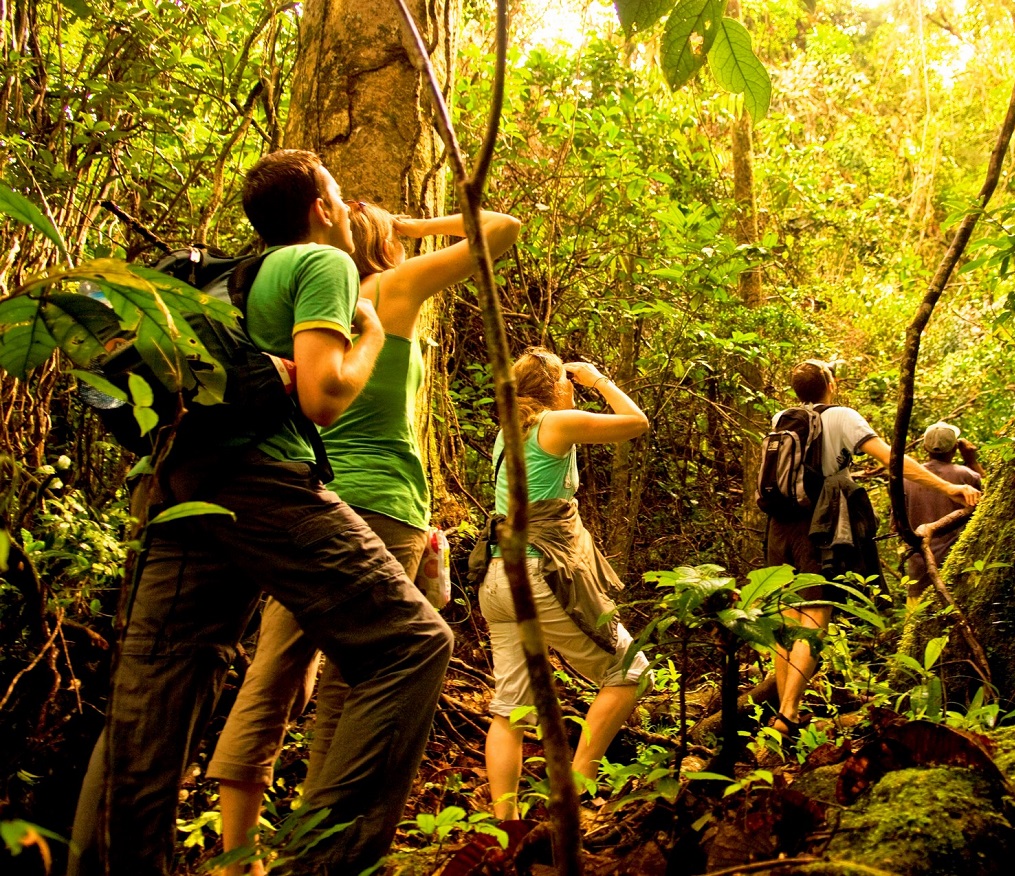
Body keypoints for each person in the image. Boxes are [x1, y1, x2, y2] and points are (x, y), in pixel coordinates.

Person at [67, 150, 451, 876]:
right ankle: (321, 863)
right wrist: (369, 334)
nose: (346, 210)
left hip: (177, 487)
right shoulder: (322, 265)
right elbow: (322, 397)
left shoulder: (226, 281)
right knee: (411, 643)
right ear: (322, 209)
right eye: (338, 197)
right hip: (264, 479)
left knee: (152, 696)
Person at [205, 201, 521, 874]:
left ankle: (243, 853)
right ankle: (317, 844)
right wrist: (410, 229)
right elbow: (501, 229)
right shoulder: (390, 290)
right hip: (380, 504)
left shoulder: (309, 310)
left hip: (304, 499)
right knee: (359, 680)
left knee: (279, 670)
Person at [471, 348, 651, 820]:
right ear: (553, 386)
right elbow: (637, 423)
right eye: (564, 379)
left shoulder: (506, 434)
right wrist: (598, 381)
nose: (570, 384)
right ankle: (577, 788)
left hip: (498, 578)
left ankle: (504, 827)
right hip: (537, 576)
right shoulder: (554, 423)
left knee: (509, 708)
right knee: (630, 671)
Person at [765, 359, 981, 737]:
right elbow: (893, 461)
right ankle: (788, 713)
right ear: (829, 383)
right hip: (819, 521)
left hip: (780, 524)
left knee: (787, 618)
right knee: (815, 612)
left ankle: (786, 714)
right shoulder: (843, 416)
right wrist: (949, 489)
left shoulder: (782, 417)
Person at [902, 420, 985, 595]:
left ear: (925, 448)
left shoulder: (906, 479)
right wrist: (972, 461)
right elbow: (993, 503)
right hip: (958, 563)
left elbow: (897, 525)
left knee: (916, 619)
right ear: (955, 447)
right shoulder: (969, 475)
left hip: (919, 564)